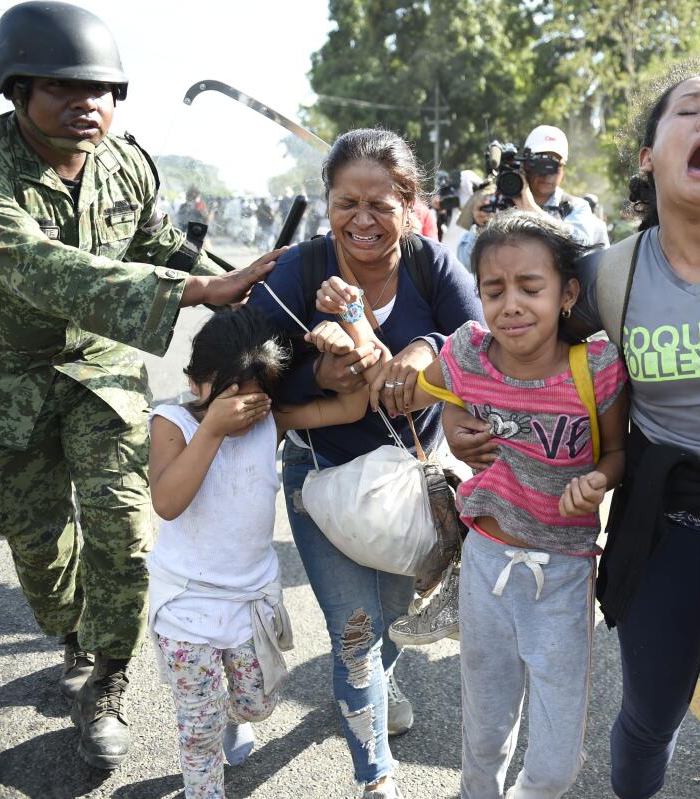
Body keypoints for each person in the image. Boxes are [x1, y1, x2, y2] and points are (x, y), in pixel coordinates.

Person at [447, 57, 700, 798]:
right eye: (690, 110)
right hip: (665, 533)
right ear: (649, 156)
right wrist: (451, 402)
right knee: (650, 718)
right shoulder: (609, 276)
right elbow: (509, 334)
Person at [0, 0, 278, 771]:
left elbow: (156, 242)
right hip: (1, 369)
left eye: (101, 91)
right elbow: (39, 267)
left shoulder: (127, 163)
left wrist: (242, 290)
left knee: (124, 524)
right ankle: (73, 629)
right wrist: (193, 293)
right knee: (37, 538)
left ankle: (106, 674)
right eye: (63, 91)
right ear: (15, 90)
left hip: (100, 363)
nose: (87, 105)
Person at [318, 209, 628, 798]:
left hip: (564, 578)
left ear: (568, 294)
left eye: (530, 288)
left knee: (558, 762)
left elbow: (618, 451)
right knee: (485, 734)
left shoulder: (598, 369)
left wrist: (601, 479)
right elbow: (428, 389)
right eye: (493, 289)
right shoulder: (469, 351)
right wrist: (456, 426)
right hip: (485, 565)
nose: (511, 304)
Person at [248, 127, 482, 799]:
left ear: (411, 205)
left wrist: (425, 349)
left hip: (416, 488)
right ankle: (375, 774)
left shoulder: (432, 266)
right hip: (324, 489)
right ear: (327, 203)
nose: (362, 220)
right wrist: (318, 370)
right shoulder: (299, 269)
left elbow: (482, 341)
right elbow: (247, 370)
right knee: (355, 634)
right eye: (346, 202)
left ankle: (379, 682)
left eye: (381, 203)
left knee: (390, 625)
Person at [149, 305, 376, 799]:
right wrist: (211, 428)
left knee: (258, 703)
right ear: (195, 383)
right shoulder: (172, 423)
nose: (244, 411)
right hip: (186, 604)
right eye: (231, 397)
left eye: (256, 399)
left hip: (250, 601)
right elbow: (167, 502)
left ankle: (234, 716)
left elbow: (352, 408)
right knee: (199, 729)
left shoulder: (268, 422)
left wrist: (349, 334)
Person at [514, 124, 610, 249]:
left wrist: (530, 208)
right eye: (542, 164)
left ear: (563, 168)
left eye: (555, 165)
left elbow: (579, 244)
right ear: (526, 165)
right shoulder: (501, 201)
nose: (548, 174)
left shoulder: (576, 207)